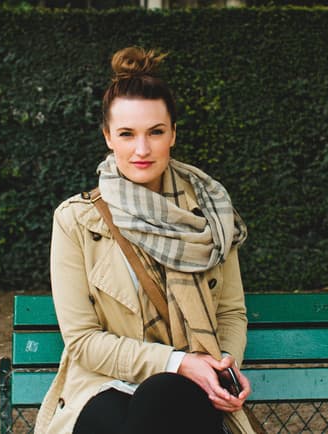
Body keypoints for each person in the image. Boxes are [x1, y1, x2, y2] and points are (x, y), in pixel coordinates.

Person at [35, 46, 257, 434]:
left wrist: (222, 366)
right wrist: (179, 362)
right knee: (158, 400)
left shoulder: (212, 215)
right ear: (108, 137)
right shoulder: (76, 219)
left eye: (155, 132)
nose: (142, 149)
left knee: (168, 396)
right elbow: (84, 342)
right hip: (102, 386)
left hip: (186, 391)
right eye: (127, 134)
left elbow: (231, 313)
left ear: (173, 133)